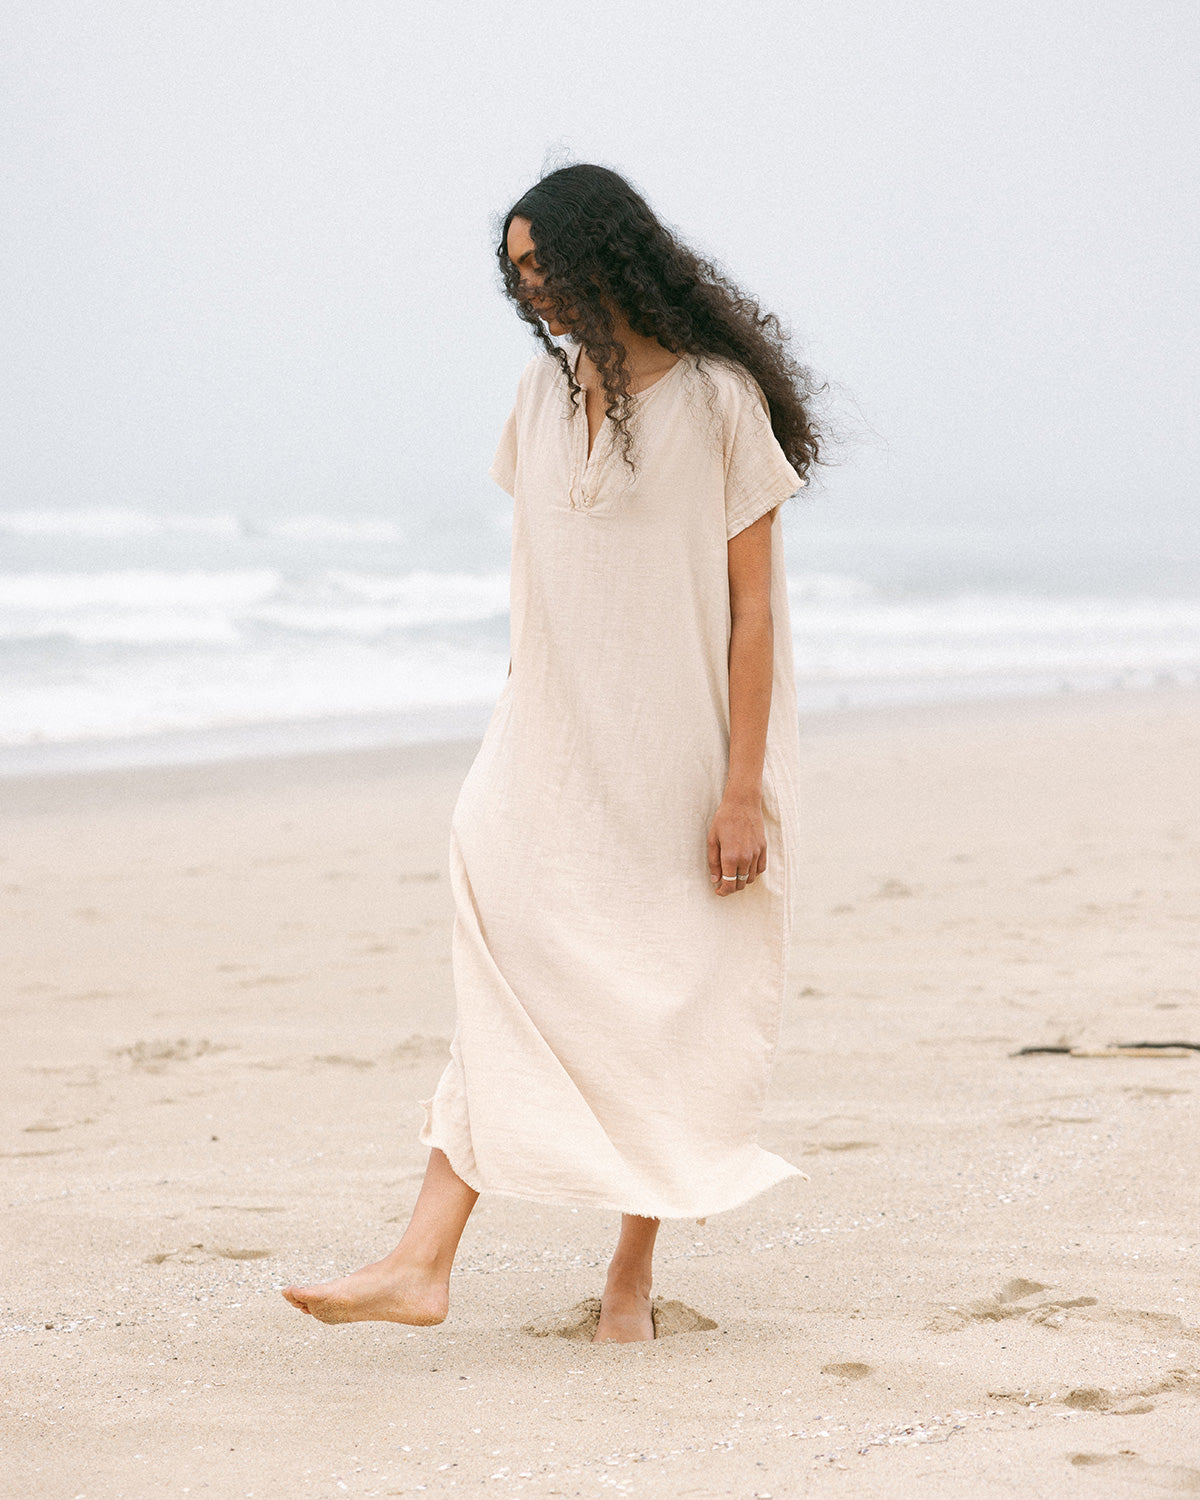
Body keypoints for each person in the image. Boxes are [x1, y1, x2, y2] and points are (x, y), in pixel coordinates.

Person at [283, 162, 825, 1344]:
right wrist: (518, 708)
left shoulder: (722, 401)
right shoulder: (538, 394)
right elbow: (538, 577)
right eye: (518, 274)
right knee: (507, 963)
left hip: (679, 752)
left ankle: (623, 1282)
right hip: (548, 743)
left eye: (547, 267)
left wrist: (743, 791)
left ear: (609, 256)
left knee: (658, 1003)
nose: (535, 293)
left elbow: (752, 612)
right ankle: (421, 1262)